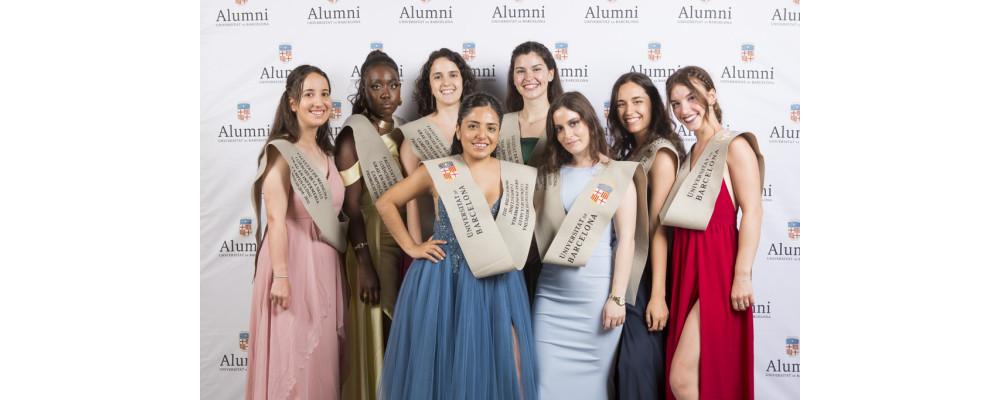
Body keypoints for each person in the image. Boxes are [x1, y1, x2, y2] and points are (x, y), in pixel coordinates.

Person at [375, 93, 540, 400]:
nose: (482, 135)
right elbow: (386, 203)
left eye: (491, 128)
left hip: (497, 283)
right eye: (473, 126)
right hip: (444, 281)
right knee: (447, 370)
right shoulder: (438, 171)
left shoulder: (515, 176)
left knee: (511, 368)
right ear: (459, 130)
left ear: (499, 133)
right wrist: (412, 247)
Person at [532, 91, 646, 400]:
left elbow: (626, 240)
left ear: (589, 122)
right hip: (551, 298)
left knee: (594, 389)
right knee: (542, 386)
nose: (568, 134)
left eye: (574, 123)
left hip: (596, 300)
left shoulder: (618, 174)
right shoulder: (547, 175)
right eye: (559, 128)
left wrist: (617, 298)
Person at [246, 65, 349, 399]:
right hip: (290, 265)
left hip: (325, 267)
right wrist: (281, 275)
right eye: (309, 94)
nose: (319, 102)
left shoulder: (327, 153)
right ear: (292, 103)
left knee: (320, 361)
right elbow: (275, 219)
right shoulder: (281, 151)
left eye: (324, 94)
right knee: (290, 359)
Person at [662, 66, 765, 400]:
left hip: (719, 270)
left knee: (681, 377)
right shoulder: (688, 154)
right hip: (687, 266)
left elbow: (752, 210)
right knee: (692, 377)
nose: (683, 109)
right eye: (675, 103)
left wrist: (742, 275)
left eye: (691, 97)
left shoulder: (734, 145)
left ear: (711, 95)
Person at [606, 72, 686, 400]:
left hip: (646, 276)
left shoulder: (661, 153)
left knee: (637, 366)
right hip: (625, 271)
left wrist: (657, 295)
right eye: (621, 104)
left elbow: (658, 229)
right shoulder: (629, 153)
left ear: (653, 104)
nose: (629, 111)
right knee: (623, 369)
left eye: (637, 102)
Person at [333, 50, 407, 400]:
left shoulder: (405, 133)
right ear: (363, 91)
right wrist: (364, 266)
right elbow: (351, 208)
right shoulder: (351, 137)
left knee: (399, 336)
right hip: (371, 245)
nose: (386, 93)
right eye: (376, 86)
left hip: (404, 241)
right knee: (380, 332)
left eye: (393, 85)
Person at [499, 41, 565, 305]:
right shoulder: (500, 124)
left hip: (553, 238)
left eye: (536, 69)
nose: (529, 78)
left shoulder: (567, 122)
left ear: (550, 73)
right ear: (513, 78)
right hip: (507, 240)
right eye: (520, 71)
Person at [397, 48, 479, 253]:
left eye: (453, 75)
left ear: (463, 80)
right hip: (439, 244)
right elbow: (410, 199)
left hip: (480, 237)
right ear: (429, 85)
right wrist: (416, 248)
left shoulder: (483, 126)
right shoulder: (415, 135)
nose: (446, 82)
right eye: (437, 76)